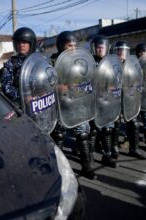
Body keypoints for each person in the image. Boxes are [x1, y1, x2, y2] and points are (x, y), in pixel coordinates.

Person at [50, 31, 96, 179]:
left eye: (74, 45)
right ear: (61, 46)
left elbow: (88, 77)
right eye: (69, 45)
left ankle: (86, 166)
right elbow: (44, 83)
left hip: (78, 104)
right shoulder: (52, 62)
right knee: (59, 137)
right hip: (60, 106)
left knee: (82, 135)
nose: (72, 48)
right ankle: (60, 170)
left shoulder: (80, 60)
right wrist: (57, 87)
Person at [89, 35, 118, 168]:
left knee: (107, 129)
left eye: (102, 47)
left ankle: (107, 155)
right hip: (93, 102)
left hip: (107, 101)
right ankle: (89, 156)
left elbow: (116, 80)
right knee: (93, 130)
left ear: (107, 48)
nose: (100, 49)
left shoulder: (112, 62)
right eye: (98, 47)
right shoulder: (88, 62)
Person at [114, 41, 145, 159]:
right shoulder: (111, 64)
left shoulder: (132, 64)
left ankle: (134, 149)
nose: (121, 53)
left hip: (129, 98)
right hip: (115, 98)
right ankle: (114, 148)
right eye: (119, 50)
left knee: (134, 124)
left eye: (123, 50)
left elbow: (138, 79)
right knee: (116, 123)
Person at [1, 27, 36, 107]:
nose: (21, 45)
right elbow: (6, 87)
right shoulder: (11, 63)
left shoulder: (38, 60)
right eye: (18, 42)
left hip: (41, 101)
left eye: (24, 42)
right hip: (22, 105)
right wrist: (23, 97)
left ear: (31, 43)